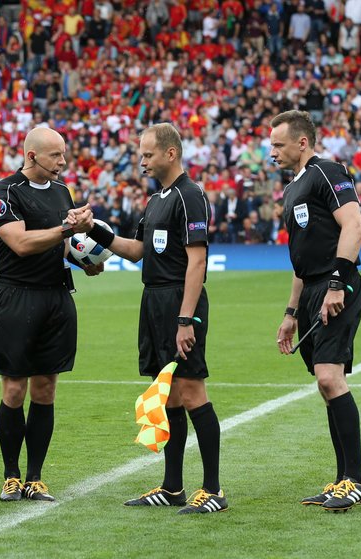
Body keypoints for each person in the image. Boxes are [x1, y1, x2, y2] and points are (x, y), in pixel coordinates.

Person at [81, 123, 226, 514]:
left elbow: (197, 261)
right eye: (141, 154)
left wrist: (185, 320)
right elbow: (135, 251)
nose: (141, 161)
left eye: (147, 154)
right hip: (154, 302)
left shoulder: (189, 195)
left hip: (180, 301)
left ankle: (213, 490)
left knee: (192, 391)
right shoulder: (156, 198)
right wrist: (92, 227)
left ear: (170, 153)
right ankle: (173, 487)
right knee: (170, 395)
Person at [0, 126, 95, 502]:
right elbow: (19, 242)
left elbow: (62, 245)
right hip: (15, 298)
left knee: (46, 390)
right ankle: (11, 475)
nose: (63, 162)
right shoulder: (4, 191)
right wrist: (67, 227)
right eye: (55, 156)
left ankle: (35, 477)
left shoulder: (62, 192)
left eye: (64, 154)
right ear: (31, 156)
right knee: (15, 389)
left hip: (56, 298)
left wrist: (85, 260)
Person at [270, 110, 361, 512]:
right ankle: (344, 479)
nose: (271, 152)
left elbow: (355, 225)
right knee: (326, 387)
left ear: (302, 143)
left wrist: (336, 283)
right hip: (311, 290)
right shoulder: (292, 189)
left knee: (331, 378)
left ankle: (356, 480)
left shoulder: (328, 171)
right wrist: (291, 312)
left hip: (336, 286)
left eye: (278, 144)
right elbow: (300, 259)